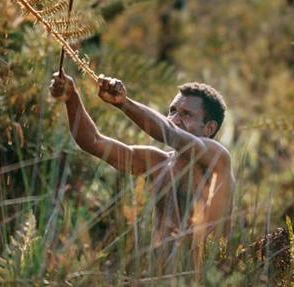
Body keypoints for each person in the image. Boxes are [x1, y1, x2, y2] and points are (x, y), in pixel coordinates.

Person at [49, 70, 234, 271]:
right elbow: (92, 141)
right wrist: (71, 97)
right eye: (172, 111)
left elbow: (169, 133)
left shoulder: (218, 160)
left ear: (209, 128)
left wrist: (123, 103)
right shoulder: (158, 164)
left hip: (207, 279)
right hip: (160, 278)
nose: (174, 118)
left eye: (186, 114)